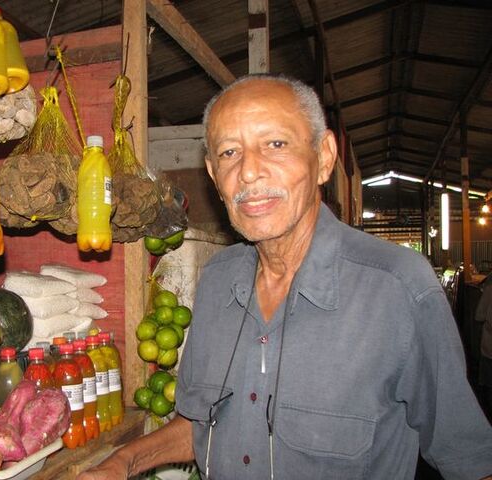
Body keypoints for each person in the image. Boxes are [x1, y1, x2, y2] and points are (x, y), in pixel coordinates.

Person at [77, 74, 492, 479]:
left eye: (275, 144)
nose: (249, 172)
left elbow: (470, 460)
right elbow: (205, 427)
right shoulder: (216, 281)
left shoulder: (397, 288)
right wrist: (121, 463)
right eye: (228, 153)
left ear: (324, 157)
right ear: (212, 175)